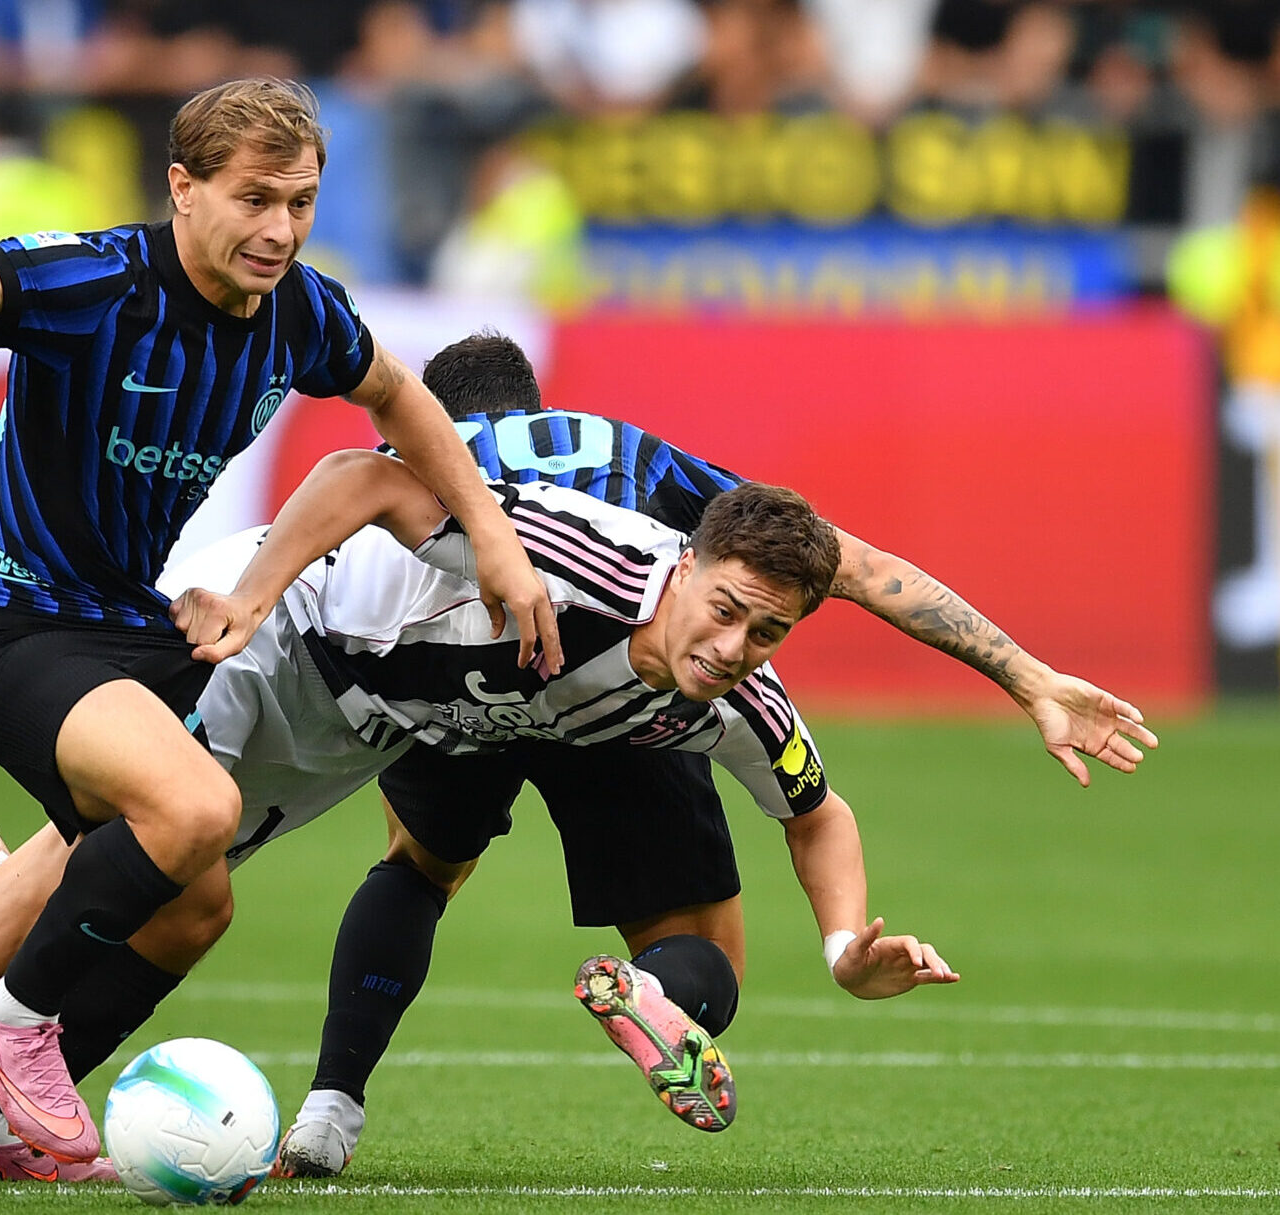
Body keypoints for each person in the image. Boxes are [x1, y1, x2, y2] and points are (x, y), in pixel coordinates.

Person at [0, 424, 1151, 1186]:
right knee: (115, 849)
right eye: (731, 611)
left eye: (770, 633)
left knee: (182, 892)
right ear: (683, 563)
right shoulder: (571, 550)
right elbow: (361, 470)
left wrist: (840, 946)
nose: (739, 650)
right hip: (257, 626)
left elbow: (813, 804)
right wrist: (248, 594)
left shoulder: (727, 684)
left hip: (345, 722)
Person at [0, 76, 560, 1182]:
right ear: (182, 187)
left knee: (179, 905)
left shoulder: (303, 311)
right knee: (193, 810)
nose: (279, 229)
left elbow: (398, 400)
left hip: (128, 629)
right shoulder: (91, 280)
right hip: (9, 625)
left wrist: (493, 540)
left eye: (302, 202)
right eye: (254, 198)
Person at [272, 331, 1162, 1174]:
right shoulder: (634, 463)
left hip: (466, 668)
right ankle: (655, 991)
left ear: (438, 405)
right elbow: (862, 569)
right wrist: (1026, 676)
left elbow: (359, 509)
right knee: (705, 950)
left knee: (421, 868)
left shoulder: (434, 448)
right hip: (644, 679)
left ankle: (330, 1108)